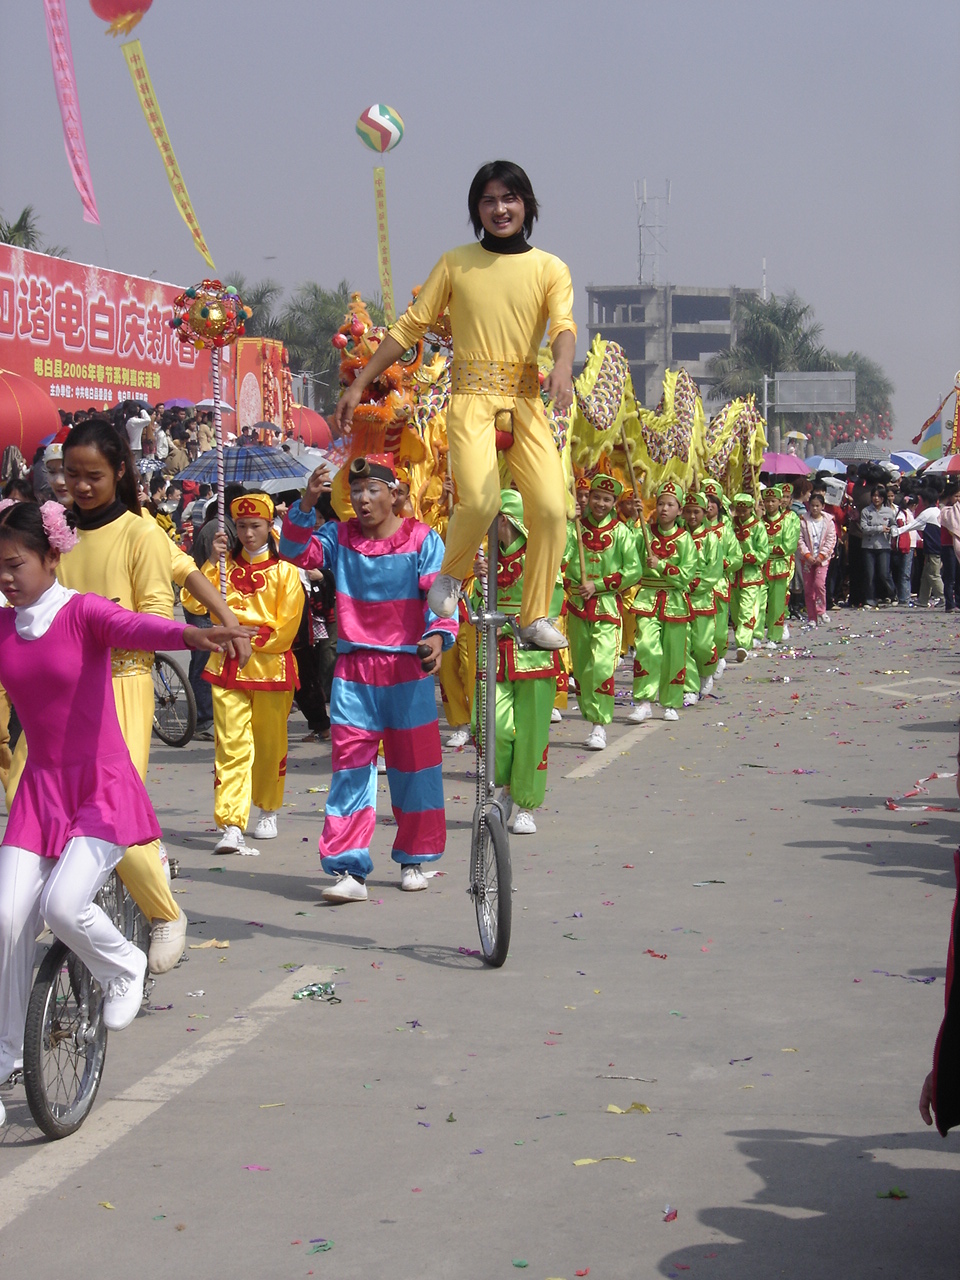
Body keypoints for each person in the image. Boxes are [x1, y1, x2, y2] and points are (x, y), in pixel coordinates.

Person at [0, 500, 241, 1126]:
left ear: (51, 557)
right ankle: (5, 1057)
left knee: (62, 905)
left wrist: (194, 635)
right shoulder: (2, 626)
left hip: (100, 786)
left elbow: (137, 628)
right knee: (5, 919)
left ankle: (124, 963)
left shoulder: (81, 612)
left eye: (15, 564)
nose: (5, 577)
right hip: (40, 792)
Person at [333, 160, 576, 652]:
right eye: (488, 200)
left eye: (509, 198)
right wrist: (361, 381)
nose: (500, 209)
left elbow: (563, 327)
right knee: (481, 501)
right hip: (470, 400)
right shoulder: (455, 262)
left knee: (553, 508)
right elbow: (410, 327)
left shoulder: (550, 267)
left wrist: (564, 367)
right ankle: (451, 575)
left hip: (527, 401)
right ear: (476, 209)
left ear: (526, 205)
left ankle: (534, 615)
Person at [279, 457, 458, 901]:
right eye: (355, 491)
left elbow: (441, 597)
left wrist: (437, 637)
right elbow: (294, 552)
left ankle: (415, 858)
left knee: (415, 767)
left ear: (394, 494)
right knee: (350, 769)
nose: (362, 499)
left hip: (407, 670)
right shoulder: (339, 536)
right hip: (355, 669)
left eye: (372, 490)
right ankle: (349, 868)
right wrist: (306, 503)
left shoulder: (422, 538)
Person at [182, 493, 303, 853]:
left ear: (269, 527)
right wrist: (211, 562)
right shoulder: (223, 569)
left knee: (269, 744)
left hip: (271, 669)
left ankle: (267, 808)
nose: (248, 534)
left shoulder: (285, 572)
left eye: (256, 526)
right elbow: (192, 601)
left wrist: (248, 638)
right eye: (242, 526)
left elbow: (287, 626)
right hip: (227, 666)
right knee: (230, 744)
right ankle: (232, 822)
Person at [473, 490, 561, 835]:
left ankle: (526, 805)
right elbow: (474, 610)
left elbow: (550, 606)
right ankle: (507, 787)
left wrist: (515, 624)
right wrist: (476, 580)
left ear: (505, 520)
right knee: (490, 726)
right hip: (495, 655)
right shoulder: (485, 559)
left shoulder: (539, 558)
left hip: (533, 655)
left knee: (532, 734)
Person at [563, 474, 641, 750]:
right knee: (583, 668)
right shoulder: (574, 528)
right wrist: (564, 521)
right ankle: (591, 717)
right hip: (578, 608)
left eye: (607, 499)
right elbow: (560, 558)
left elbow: (634, 570)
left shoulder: (621, 533)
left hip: (607, 607)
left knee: (602, 666)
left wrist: (599, 585)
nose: (600, 503)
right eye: (596, 497)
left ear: (614, 503)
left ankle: (600, 724)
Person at [628, 479, 695, 722]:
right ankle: (644, 701)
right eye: (660, 504)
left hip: (675, 600)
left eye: (670, 505)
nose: (664, 509)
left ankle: (671, 701)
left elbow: (687, 575)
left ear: (679, 510)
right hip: (648, 597)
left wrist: (662, 565)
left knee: (674, 653)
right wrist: (633, 517)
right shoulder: (644, 534)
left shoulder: (685, 539)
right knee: (646, 647)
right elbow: (627, 548)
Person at [681, 491, 722, 702]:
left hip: (702, 598)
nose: (692, 516)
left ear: (704, 513)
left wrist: (696, 585)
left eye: (696, 512)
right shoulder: (678, 536)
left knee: (703, 645)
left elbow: (714, 571)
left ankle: (708, 669)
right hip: (680, 597)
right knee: (684, 644)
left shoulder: (711, 538)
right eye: (688, 512)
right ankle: (689, 687)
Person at [729, 494, 769, 662]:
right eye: (738, 510)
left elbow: (763, 553)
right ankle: (742, 638)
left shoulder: (758, 527)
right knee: (735, 612)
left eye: (744, 511)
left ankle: (743, 644)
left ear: (751, 509)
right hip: (733, 576)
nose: (741, 514)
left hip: (751, 576)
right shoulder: (731, 525)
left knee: (746, 611)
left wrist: (746, 557)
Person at [899, 490, 944, 607]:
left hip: (933, 548)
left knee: (933, 575)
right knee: (926, 575)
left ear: (926, 500)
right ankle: (923, 599)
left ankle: (944, 597)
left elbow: (912, 525)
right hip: (935, 547)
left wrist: (896, 531)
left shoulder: (928, 513)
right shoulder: (937, 511)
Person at [798, 492, 837, 626]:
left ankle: (821, 610)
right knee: (808, 589)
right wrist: (807, 555)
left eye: (817, 506)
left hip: (822, 560)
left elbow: (831, 540)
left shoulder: (828, 522)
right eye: (812, 506)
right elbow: (800, 539)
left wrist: (822, 556)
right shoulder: (803, 520)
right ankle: (812, 618)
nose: (814, 508)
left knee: (819, 584)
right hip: (807, 560)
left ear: (823, 506)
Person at [859, 485, 897, 606]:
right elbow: (864, 528)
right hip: (868, 546)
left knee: (884, 573)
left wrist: (893, 530)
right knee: (869, 574)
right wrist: (880, 528)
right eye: (874, 496)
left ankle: (893, 595)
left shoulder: (888, 511)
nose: (876, 498)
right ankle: (870, 599)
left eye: (879, 496)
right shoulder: (866, 511)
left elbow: (894, 524)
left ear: (883, 498)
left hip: (884, 546)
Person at [891, 493, 918, 606]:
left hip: (905, 544)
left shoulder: (902, 513)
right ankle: (904, 598)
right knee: (905, 573)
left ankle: (902, 596)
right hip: (907, 545)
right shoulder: (905, 513)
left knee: (902, 572)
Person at [937, 484, 960, 612]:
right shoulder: (946, 511)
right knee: (950, 576)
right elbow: (951, 527)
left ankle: (958, 602)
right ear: (950, 497)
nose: (958, 499)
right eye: (956, 496)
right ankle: (950, 604)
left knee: (959, 576)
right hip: (948, 546)